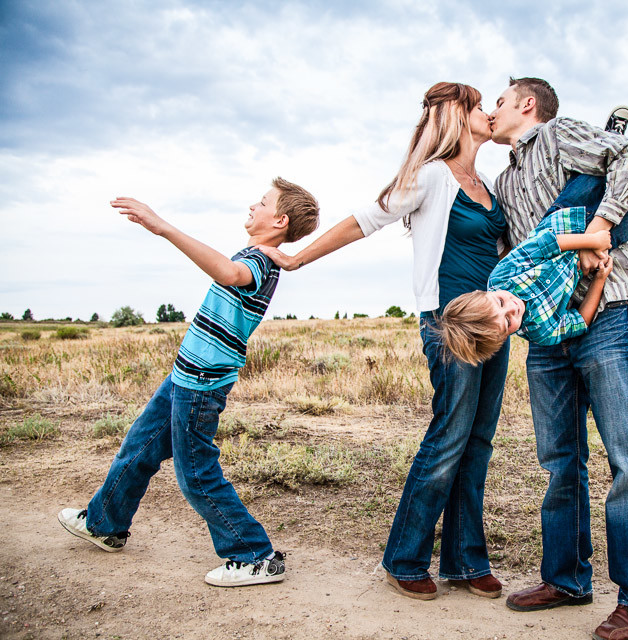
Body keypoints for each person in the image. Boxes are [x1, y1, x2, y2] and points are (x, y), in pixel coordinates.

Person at [257, 82, 509, 601]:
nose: (488, 114)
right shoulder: (432, 177)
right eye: (479, 106)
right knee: (450, 436)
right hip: (448, 322)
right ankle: (405, 557)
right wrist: (298, 258)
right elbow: (363, 221)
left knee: (478, 439)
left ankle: (465, 561)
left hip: (493, 325)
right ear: (455, 117)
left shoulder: (488, 185)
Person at [58, 177, 319, 587]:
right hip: (184, 374)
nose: (253, 204)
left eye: (262, 202)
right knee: (139, 447)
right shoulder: (259, 253)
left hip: (201, 382)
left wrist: (163, 227)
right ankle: (103, 523)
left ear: (280, 219)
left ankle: (254, 555)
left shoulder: (262, 261)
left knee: (195, 472)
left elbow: (231, 274)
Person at [488, 77, 628, 640]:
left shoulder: (559, 134)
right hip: (547, 331)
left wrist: (601, 225)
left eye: (498, 102)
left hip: (607, 311)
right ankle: (566, 579)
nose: (490, 111)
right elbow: (520, 251)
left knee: (627, 457)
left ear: (526, 104)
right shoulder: (503, 178)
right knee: (559, 459)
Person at [438, 207, 613, 364]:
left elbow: (545, 244)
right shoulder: (541, 331)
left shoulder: (501, 278)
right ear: (502, 340)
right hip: (594, 258)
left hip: (565, 219)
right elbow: (580, 321)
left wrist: (592, 240)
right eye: (507, 322)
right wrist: (600, 279)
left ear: (481, 292)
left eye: (500, 302)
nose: (512, 309)